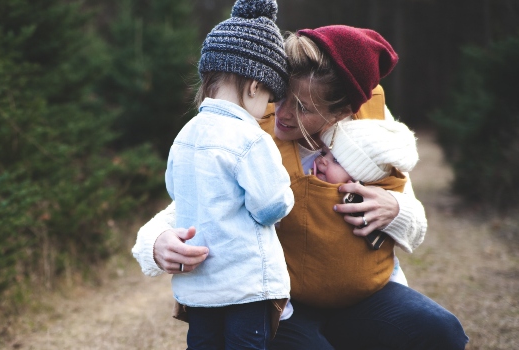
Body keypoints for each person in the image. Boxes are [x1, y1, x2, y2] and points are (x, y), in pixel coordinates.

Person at [132, 24, 469, 349]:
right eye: (282, 96)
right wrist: (155, 243)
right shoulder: (250, 131)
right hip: (284, 304)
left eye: (304, 107)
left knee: (442, 332)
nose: (283, 113)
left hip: (365, 297)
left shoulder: (372, 137)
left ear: (343, 112)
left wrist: (396, 210)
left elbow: (417, 225)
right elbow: (191, 201)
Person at [164, 0, 294, 348]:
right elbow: (270, 206)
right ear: (254, 86)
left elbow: (174, 190)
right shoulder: (250, 137)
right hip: (245, 286)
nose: (267, 108)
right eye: (268, 97)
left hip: (199, 289)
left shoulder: (185, 135)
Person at [285, 118, 418, 309]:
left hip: (373, 289)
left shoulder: (373, 196)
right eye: (324, 153)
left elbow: (415, 227)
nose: (321, 160)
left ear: (359, 179)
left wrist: (398, 210)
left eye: (336, 160)